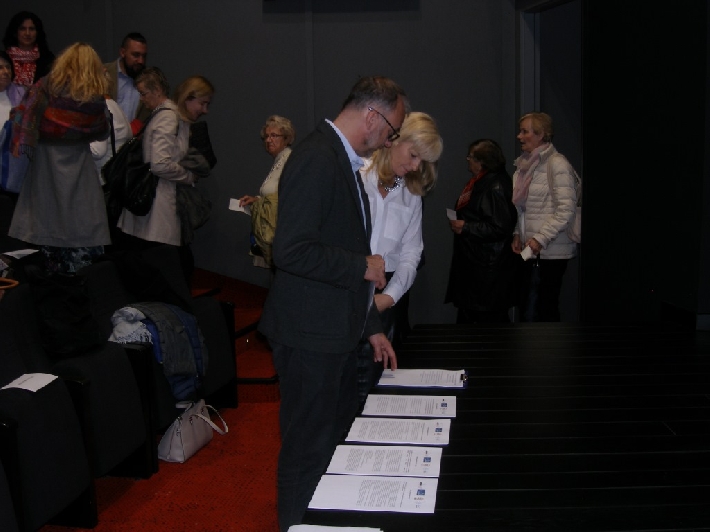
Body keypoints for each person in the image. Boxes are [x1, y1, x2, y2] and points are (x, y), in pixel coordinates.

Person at [258, 75, 406, 532]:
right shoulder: (318, 157)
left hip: (332, 331)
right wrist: (361, 265)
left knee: (328, 445)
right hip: (309, 335)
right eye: (392, 130)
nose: (390, 141)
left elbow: (337, 242)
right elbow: (291, 251)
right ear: (372, 116)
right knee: (307, 450)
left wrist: (369, 326)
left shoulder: (339, 158)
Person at [356, 111, 443, 402]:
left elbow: (411, 253)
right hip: (347, 289)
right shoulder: (357, 176)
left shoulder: (411, 193)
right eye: (414, 155)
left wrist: (389, 298)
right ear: (393, 140)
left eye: (423, 161)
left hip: (387, 297)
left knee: (380, 389)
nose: (416, 166)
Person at [8, 42, 109, 273]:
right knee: (82, 239)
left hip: (45, 169)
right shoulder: (94, 99)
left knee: (47, 240)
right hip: (81, 170)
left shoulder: (43, 88)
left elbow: (22, 118)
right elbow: (102, 131)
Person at [117, 69, 212, 279]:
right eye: (203, 103)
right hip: (158, 207)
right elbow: (159, 164)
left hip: (154, 206)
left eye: (143, 94)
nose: (205, 110)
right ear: (188, 98)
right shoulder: (170, 118)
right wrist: (189, 176)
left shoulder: (166, 116)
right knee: (168, 269)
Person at [511, 112, 577, 321]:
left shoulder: (557, 164)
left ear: (541, 135)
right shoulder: (524, 166)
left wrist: (540, 238)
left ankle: (548, 344)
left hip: (551, 251)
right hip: (532, 250)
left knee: (544, 309)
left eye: (525, 132)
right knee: (529, 307)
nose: (519, 136)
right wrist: (517, 233)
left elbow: (566, 208)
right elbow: (524, 208)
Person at [445, 139, 519, 323]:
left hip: (486, 271)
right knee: (473, 319)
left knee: (485, 323)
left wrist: (466, 227)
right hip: (478, 268)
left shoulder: (495, 186)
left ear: (482, 161)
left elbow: (500, 227)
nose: (467, 160)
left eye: (471, 157)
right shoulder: (483, 181)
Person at [238, 115, 296, 269]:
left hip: (281, 234)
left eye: (274, 135)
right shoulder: (279, 161)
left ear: (286, 138)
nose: (269, 140)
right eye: (266, 136)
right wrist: (256, 200)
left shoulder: (290, 160)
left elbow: (285, 198)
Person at [104, 32, 150, 127]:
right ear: (122, 52)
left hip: (135, 135)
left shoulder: (149, 80)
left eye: (144, 56)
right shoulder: (103, 74)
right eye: (136, 55)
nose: (141, 61)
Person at [2, 11, 55, 87]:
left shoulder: (48, 60)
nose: (27, 33)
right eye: (22, 29)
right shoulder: (3, 58)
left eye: (31, 29)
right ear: (15, 32)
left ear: (37, 32)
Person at [90, 90, 132, 184]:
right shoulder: (113, 105)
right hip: (115, 175)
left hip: (101, 179)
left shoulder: (99, 109)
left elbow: (98, 151)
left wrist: (76, 141)